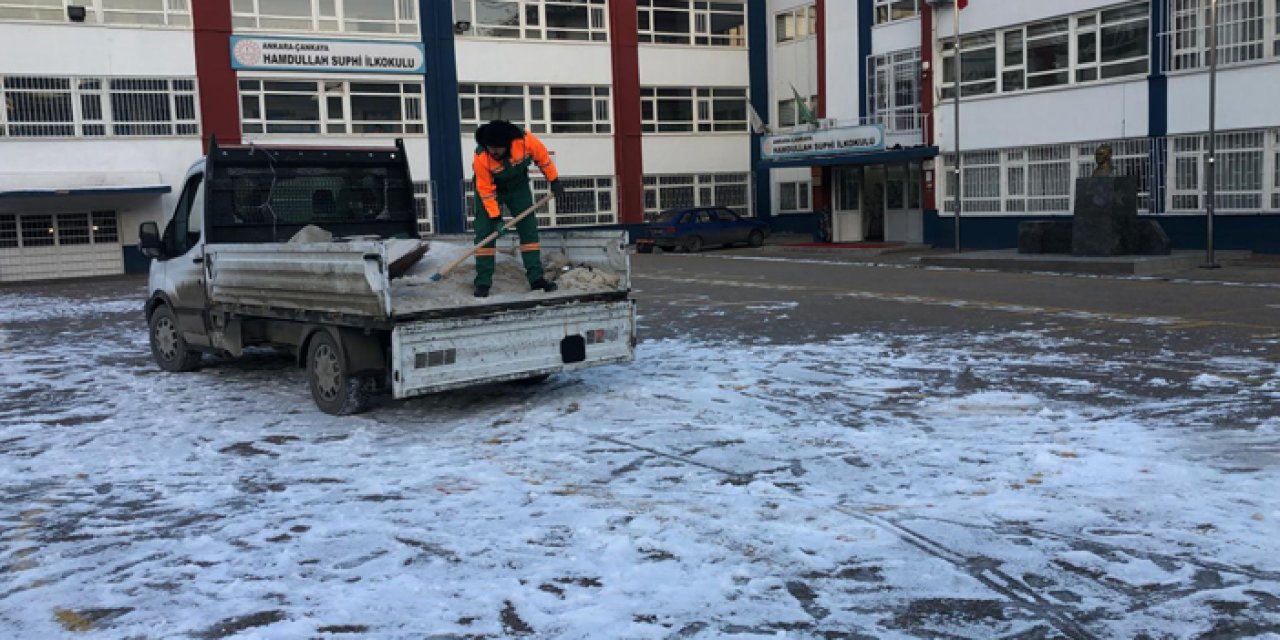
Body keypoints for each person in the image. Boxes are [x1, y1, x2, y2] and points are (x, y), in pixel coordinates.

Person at [470, 120, 567, 298]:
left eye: (496, 149)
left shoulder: (525, 141)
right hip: (490, 191)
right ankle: (483, 282)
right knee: (484, 234)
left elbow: (543, 160)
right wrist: (495, 218)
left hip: (518, 187)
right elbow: (485, 191)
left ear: (506, 144)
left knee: (528, 231)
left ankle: (536, 278)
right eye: (490, 148)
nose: (493, 152)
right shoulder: (481, 156)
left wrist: (554, 181)